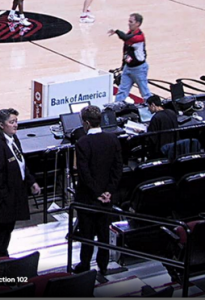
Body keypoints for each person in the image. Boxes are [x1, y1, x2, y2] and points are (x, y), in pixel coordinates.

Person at [0, 108, 40, 258]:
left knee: (5, 237)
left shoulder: (13, 139)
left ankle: (3, 262)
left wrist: (31, 182)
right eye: (12, 122)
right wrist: (4, 201)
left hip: (11, 202)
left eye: (16, 121)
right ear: (1, 125)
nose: (16, 125)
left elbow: (21, 164)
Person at [72, 105, 122, 284]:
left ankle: (84, 265)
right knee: (103, 233)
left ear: (86, 123)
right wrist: (108, 191)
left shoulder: (82, 143)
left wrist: (98, 193)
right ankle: (103, 265)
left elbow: (84, 174)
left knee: (87, 234)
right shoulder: (112, 139)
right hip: (107, 198)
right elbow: (118, 169)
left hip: (88, 198)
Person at [109, 13, 151, 103]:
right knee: (122, 91)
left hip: (139, 69)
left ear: (138, 24)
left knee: (145, 93)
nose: (129, 23)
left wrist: (117, 31)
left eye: (131, 22)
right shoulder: (130, 33)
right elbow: (125, 51)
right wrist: (123, 65)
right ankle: (115, 110)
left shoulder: (139, 37)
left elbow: (126, 38)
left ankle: (154, 109)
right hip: (128, 68)